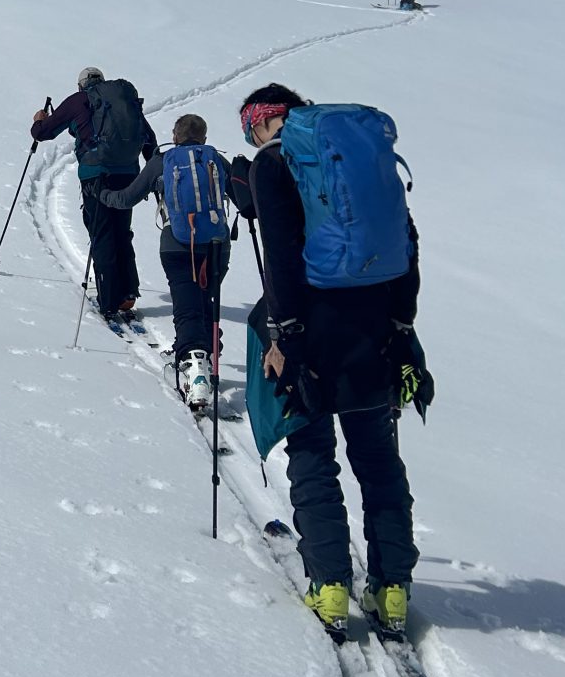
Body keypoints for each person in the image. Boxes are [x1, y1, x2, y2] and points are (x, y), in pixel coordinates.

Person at [235, 82, 420, 641]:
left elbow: (284, 259)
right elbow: (407, 244)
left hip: (312, 333)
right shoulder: (357, 156)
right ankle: (391, 591)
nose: (252, 137)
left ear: (265, 121)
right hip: (375, 327)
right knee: (379, 462)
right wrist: (401, 325)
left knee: (314, 455)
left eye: (250, 127)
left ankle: (330, 584)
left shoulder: (274, 165)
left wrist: (284, 339)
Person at [99, 114, 230, 407]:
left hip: (177, 245)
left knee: (186, 306)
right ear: (204, 137)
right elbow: (245, 197)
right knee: (205, 300)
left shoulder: (162, 161)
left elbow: (127, 198)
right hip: (217, 246)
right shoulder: (215, 160)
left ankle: (194, 367)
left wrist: (103, 194)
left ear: (175, 134)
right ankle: (207, 355)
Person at [30, 68, 156, 321]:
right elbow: (148, 138)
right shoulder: (123, 101)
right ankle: (128, 294)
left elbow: (42, 133)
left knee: (102, 233)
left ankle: (108, 301)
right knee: (122, 231)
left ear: (81, 85)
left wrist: (38, 120)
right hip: (129, 174)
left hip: (96, 175)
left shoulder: (79, 100)